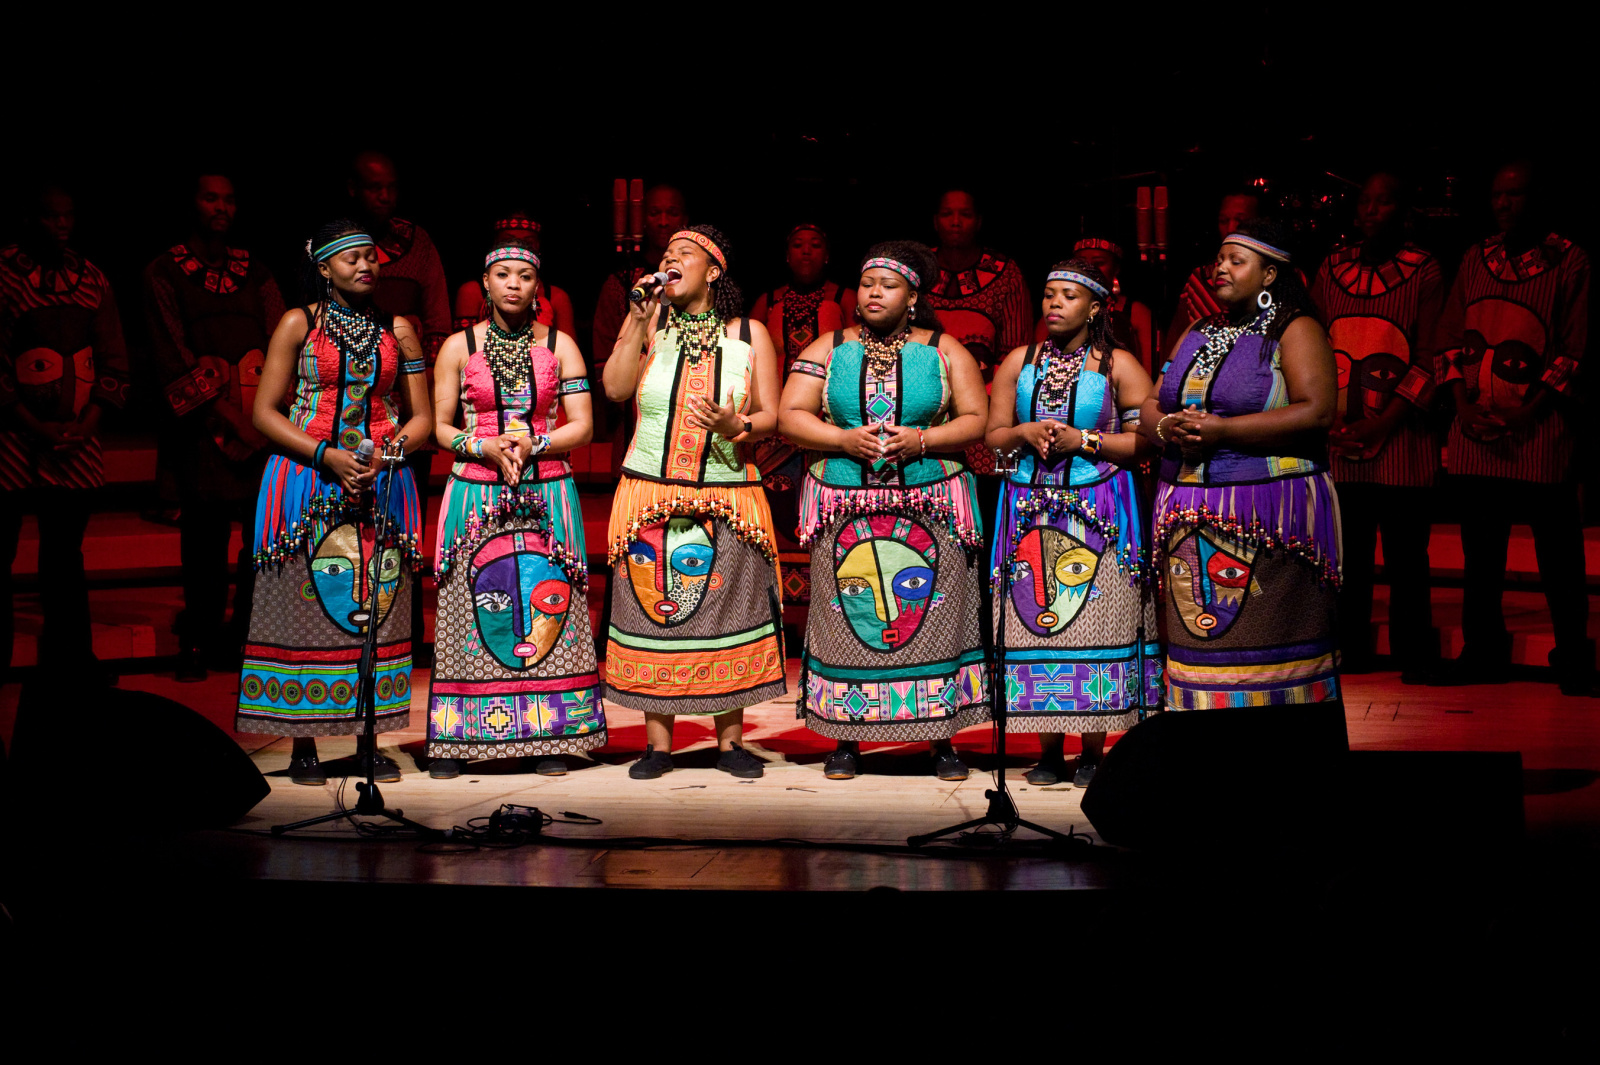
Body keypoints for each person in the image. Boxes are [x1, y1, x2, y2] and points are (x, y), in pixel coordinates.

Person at [778, 241, 990, 780]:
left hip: (928, 499)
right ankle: (849, 738)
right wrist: (842, 440)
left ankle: (940, 739)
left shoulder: (944, 349)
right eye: (868, 283)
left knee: (933, 616)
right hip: (845, 500)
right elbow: (790, 414)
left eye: (889, 285)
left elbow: (976, 420)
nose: (875, 292)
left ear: (913, 296)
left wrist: (921, 439)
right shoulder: (830, 347)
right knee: (850, 617)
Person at [237, 221, 432, 785]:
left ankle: (368, 736)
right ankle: (304, 743)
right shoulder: (298, 323)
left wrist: (387, 451)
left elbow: (420, 416)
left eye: (371, 257)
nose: (365, 266)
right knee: (306, 605)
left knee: (376, 606)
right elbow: (265, 412)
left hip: (380, 483)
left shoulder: (399, 329)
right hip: (306, 481)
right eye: (350, 259)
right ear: (324, 268)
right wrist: (326, 456)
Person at [600, 225, 784, 780]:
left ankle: (730, 744)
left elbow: (772, 415)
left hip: (727, 493)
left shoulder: (749, 333)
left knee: (728, 611)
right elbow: (613, 389)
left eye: (684, 255)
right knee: (655, 608)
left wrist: (739, 424)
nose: (670, 261)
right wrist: (636, 317)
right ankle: (659, 745)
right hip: (650, 490)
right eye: (665, 256)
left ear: (714, 271)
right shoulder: (650, 325)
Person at [1141, 220, 1342, 709]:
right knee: (1199, 642)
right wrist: (1169, 430)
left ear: (1270, 274)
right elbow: (1149, 403)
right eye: (1219, 260)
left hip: (1266, 512)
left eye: (1236, 261)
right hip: (1187, 508)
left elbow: (1317, 409)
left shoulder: (1294, 328)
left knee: (1265, 644)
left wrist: (1224, 431)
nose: (1220, 270)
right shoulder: (1198, 329)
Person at [425, 241, 603, 779]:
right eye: (503, 274)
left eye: (524, 276)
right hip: (476, 490)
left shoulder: (561, 344)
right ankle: (459, 739)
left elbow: (583, 425)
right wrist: (481, 446)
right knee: (474, 602)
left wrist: (536, 444)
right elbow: (439, 426)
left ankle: (550, 735)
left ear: (537, 288)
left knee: (546, 598)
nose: (513, 284)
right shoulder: (459, 347)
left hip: (545, 488)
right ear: (484, 283)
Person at [988, 260, 1160, 787]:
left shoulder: (1119, 365)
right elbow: (992, 436)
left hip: (1100, 506)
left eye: (1067, 295)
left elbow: (1145, 443)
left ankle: (1094, 749)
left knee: (1094, 617)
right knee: (1036, 618)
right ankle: (1047, 750)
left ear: (1096, 307)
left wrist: (1083, 441)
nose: (1054, 304)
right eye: (1048, 295)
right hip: (1028, 508)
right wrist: (1026, 430)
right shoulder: (1020, 360)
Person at [1428, 160, 1592, 694]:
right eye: (1497, 195)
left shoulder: (1570, 261)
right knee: (1482, 556)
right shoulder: (1477, 257)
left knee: (1559, 557)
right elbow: (1450, 337)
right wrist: (1460, 404)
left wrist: (1529, 411)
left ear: (1537, 199)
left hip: (1539, 435)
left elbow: (1575, 347)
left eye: (1515, 195)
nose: (1503, 204)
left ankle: (1572, 656)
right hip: (1478, 434)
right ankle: (1483, 651)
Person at [143, 172, 286, 681]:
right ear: (191, 205)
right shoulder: (165, 271)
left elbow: (280, 345)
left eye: (229, 199)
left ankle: (246, 639)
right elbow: (169, 352)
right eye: (209, 197)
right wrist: (232, 422)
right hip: (203, 431)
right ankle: (198, 640)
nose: (221, 207)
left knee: (261, 542)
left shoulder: (258, 272)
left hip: (259, 429)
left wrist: (264, 423)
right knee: (202, 542)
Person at [1311, 172, 1444, 680]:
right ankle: (1351, 651)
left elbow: (1430, 355)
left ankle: (1415, 654)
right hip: (1343, 435)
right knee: (1350, 557)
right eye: (1365, 202)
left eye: (1383, 202)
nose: (1371, 211)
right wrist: (1335, 413)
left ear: (1403, 211)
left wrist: (1384, 422)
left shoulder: (1425, 271)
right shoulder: (1333, 268)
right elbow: (1318, 348)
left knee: (1409, 555)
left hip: (1402, 438)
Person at [0, 186, 130, 686]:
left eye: (68, 216)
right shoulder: (5, 275)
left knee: (64, 556)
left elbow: (114, 357)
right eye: (50, 216)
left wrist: (89, 421)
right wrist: (32, 425)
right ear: (30, 218)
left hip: (77, 439)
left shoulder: (90, 278)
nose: (61, 225)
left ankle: (71, 661)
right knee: (1, 553)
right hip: (13, 442)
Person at [747, 223, 857, 623]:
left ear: (827, 255)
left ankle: (826, 611)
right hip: (775, 430)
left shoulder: (844, 298)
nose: (806, 252)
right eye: (798, 245)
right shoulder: (769, 300)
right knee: (777, 515)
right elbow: (751, 360)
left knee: (817, 514)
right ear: (787, 254)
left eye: (816, 245)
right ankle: (774, 614)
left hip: (823, 426)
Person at [592, 184, 688, 476]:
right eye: (655, 213)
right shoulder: (623, 281)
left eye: (671, 213)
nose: (662, 221)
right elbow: (604, 357)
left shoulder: (701, 291)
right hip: (632, 415)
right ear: (642, 218)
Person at [348, 150, 453, 361]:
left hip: (408, 370)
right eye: (375, 188)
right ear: (353, 189)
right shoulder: (330, 243)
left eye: (391, 188)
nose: (385, 197)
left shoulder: (416, 242)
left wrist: (431, 371)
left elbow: (437, 321)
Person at [1036, 236, 1156, 375]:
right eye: (1081, 262)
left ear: (1116, 269)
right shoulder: (1055, 312)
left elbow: (1149, 372)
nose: (1090, 268)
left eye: (1099, 263)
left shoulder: (1136, 312)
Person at [451, 210, 575, 338]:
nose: (518, 248)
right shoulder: (471, 292)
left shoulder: (557, 297)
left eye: (528, 242)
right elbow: (465, 346)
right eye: (509, 240)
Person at [1166, 190, 1262, 343]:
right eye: (1224, 220)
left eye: (1240, 220)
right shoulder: (1199, 280)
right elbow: (1174, 342)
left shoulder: (1280, 278)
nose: (1231, 228)